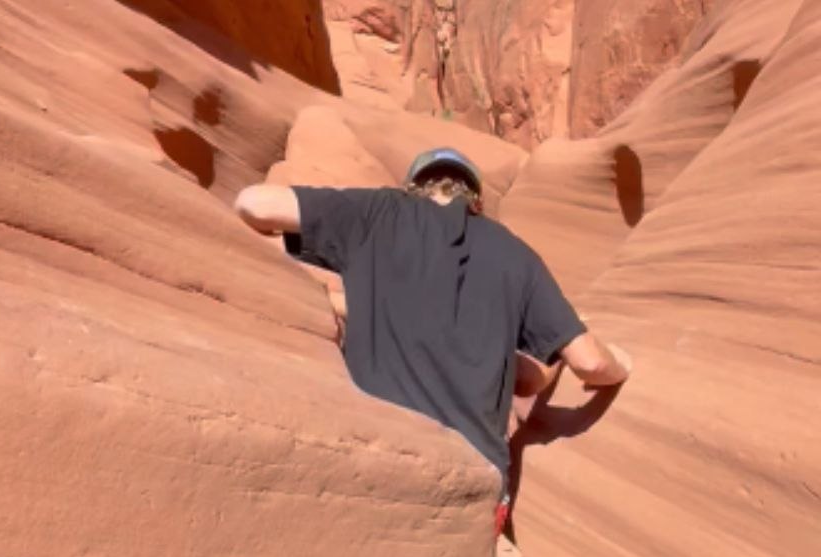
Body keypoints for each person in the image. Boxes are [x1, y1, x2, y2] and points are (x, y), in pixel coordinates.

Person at [233, 147, 632, 534]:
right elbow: (591, 364)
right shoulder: (515, 254)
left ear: (414, 187)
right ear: (475, 199)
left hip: (368, 464)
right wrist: (621, 364)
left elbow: (255, 204)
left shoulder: (380, 213)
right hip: (472, 491)